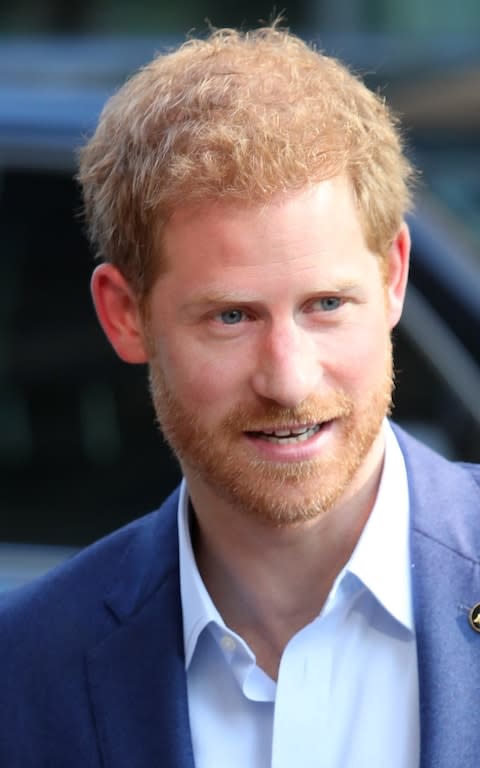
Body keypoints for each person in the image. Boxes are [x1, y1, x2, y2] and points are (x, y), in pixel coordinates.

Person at [0, 22, 479, 768]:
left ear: (392, 277)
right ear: (125, 316)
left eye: (325, 305)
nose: (288, 379)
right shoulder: (24, 671)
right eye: (231, 317)